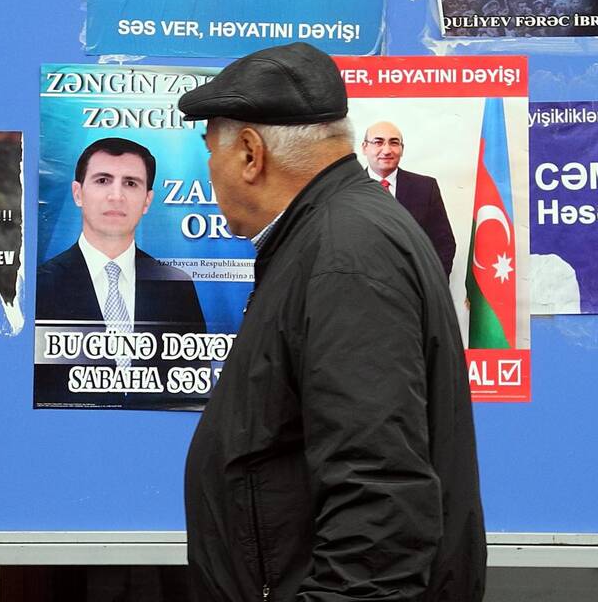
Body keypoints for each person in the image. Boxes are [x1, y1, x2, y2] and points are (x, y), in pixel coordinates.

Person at [179, 42, 485, 602]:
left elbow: (378, 502)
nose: (210, 172)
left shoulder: (345, 254)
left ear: (249, 153)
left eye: (209, 152)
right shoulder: (336, 234)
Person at [36, 137, 206, 332]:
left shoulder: (177, 288)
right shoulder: (38, 285)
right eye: (102, 180)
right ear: (78, 193)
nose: (116, 196)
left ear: (147, 201)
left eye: (130, 183)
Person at [363, 120, 457, 277]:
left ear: (402, 149)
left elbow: (443, 244)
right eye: (378, 142)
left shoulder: (425, 188)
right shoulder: (348, 190)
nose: (386, 150)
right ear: (365, 147)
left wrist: (430, 285)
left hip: (413, 287)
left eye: (394, 143)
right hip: (363, 287)